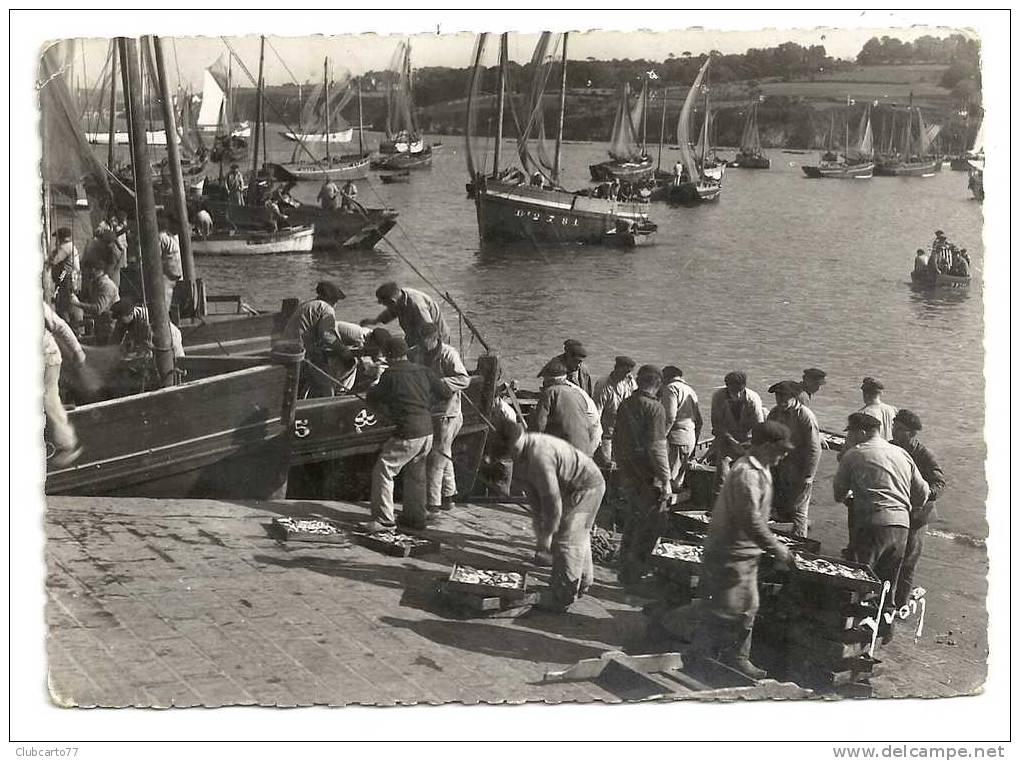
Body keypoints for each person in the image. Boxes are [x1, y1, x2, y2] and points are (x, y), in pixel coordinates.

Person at [692, 421, 796, 678]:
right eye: (780, 450)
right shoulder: (746, 473)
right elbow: (749, 519)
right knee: (729, 608)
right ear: (765, 446)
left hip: (744, 552)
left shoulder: (761, 469)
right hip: (729, 551)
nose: (783, 456)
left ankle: (726, 655)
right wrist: (777, 548)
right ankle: (698, 648)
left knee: (742, 607)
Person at [495, 421, 606, 612]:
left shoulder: (539, 455)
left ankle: (562, 596)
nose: (510, 455)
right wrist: (540, 530)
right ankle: (584, 581)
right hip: (573, 487)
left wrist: (546, 538)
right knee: (578, 535)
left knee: (566, 540)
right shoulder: (523, 454)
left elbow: (552, 504)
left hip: (587, 488)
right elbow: (536, 503)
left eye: (512, 449)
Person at [833, 413, 930, 608]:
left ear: (861, 432)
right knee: (888, 585)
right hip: (901, 526)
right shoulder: (901, 453)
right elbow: (923, 493)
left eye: (850, 434)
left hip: (872, 525)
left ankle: (854, 629)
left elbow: (839, 495)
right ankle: (885, 627)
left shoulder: (854, 454)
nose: (849, 438)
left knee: (862, 581)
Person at [362, 336, 438, 533]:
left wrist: (374, 382)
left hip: (408, 431)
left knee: (384, 469)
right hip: (428, 431)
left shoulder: (391, 374)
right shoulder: (424, 370)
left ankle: (384, 520)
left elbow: (373, 397)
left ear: (388, 355)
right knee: (416, 474)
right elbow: (444, 391)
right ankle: (416, 518)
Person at [613, 364, 672, 584]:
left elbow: (617, 438)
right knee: (651, 525)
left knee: (632, 521)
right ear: (658, 385)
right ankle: (635, 574)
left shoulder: (626, 404)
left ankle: (624, 569)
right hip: (649, 475)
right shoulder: (656, 409)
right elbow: (657, 448)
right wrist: (666, 481)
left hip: (628, 471)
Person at [409, 323, 471, 513]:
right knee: (444, 454)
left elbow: (464, 379)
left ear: (434, 338)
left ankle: (433, 504)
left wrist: (439, 383)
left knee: (436, 458)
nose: (420, 343)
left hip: (448, 413)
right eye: (418, 339)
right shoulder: (416, 352)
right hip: (430, 411)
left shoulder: (448, 353)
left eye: (424, 339)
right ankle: (449, 496)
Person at [889, 409, 946, 609]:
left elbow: (940, 483)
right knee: (889, 558)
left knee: (908, 562)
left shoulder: (923, 454)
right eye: (894, 426)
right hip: (895, 511)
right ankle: (884, 601)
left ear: (912, 433)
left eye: (900, 429)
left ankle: (901, 604)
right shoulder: (890, 447)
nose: (894, 430)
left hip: (917, 516)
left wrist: (923, 495)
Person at [765, 380, 820, 537]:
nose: (780, 400)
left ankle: (800, 544)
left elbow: (814, 448)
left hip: (799, 470)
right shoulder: (774, 413)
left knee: (799, 511)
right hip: (779, 468)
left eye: (784, 397)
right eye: (778, 396)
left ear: (794, 397)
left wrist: (809, 476)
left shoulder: (805, 416)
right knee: (775, 507)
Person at [280, 281, 350, 398]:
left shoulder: (307, 305)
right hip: (301, 353)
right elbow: (327, 335)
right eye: (336, 301)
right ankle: (329, 405)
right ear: (332, 300)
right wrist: (343, 350)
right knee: (327, 381)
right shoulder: (326, 308)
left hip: (287, 349)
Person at [43, 301, 89, 468]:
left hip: (47, 357)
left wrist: (77, 350)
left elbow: (60, 326)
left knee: (48, 398)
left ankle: (67, 444)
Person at [709, 371, 766, 487]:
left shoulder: (753, 399)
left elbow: (759, 427)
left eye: (740, 390)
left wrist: (748, 445)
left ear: (744, 387)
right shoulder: (718, 397)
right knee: (722, 472)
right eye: (733, 391)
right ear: (727, 386)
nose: (737, 394)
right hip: (727, 438)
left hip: (749, 439)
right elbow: (716, 423)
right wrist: (730, 440)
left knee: (747, 473)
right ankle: (721, 496)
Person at [530, 360, 599, 455]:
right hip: (585, 450)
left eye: (544, 380)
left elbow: (538, 426)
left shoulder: (550, 392)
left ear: (550, 380)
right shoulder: (577, 393)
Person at [361, 282, 451, 349]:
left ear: (392, 301)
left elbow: (430, 330)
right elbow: (391, 313)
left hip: (435, 338)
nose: (385, 306)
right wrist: (374, 321)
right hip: (415, 336)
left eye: (384, 304)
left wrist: (423, 349)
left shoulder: (417, 305)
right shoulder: (400, 297)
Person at [659, 365, 703, 491]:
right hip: (689, 438)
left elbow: (670, 417)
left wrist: (661, 437)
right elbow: (699, 421)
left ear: (665, 377)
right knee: (678, 480)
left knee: (667, 480)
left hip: (676, 439)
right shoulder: (691, 390)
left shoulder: (671, 388)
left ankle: (664, 509)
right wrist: (694, 445)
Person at [592, 355, 637, 466]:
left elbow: (636, 402)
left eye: (630, 372)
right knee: (607, 464)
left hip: (624, 432)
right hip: (607, 432)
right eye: (625, 372)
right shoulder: (603, 385)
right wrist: (596, 437)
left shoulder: (630, 381)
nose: (628, 375)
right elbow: (597, 412)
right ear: (617, 368)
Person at [108, 298, 185, 359]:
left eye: (121, 318)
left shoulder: (145, 320)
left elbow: (146, 348)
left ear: (131, 314)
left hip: (170, 337)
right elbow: (115, 340)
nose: (119, 321)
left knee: (175, 363)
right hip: (154, 341)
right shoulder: (123, 319)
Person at [70, 259, 119, 341]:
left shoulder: (106, 285)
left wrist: (77, 303)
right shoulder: (96, 283)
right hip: (100, 325)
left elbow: (98, 309)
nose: (84, 274)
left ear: (94, 270)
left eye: (85, 271)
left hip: (109, 329)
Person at [49, 227, 81, 324]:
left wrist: (53, 252)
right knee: (69, 301)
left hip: (66, 276)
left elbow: (54, 261)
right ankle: (74, 323)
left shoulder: (65, 247)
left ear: (61, 238)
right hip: (74, 277)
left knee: (63, 304)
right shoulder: (72, 246)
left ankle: (68, 325)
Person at [157, 216, 183, 313]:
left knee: (176, 306)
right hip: (166, 278)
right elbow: (157, 257)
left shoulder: (178, 237)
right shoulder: (162, 237)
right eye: (177, 225)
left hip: (178, 278)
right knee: (165, 306)